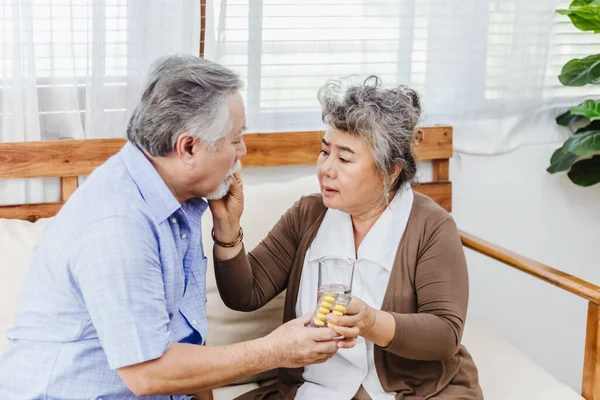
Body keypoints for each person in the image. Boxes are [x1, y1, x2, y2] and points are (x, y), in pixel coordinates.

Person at [0, 55, 345, 400]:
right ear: (189, 146)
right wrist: (276, 350)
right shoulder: (119, 223)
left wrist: (226, 228)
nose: (242, 150)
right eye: (236, 137)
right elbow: (148, 372)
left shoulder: (177, 199)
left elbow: (187, 339)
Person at [210, 76, 484, 399]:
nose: (326, 168)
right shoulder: (308, 215)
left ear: (390, 171)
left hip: (414, 393)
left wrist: (371, 322)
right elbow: (246, 293)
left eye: (344, 158)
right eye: (324, 152)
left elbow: (445, 333)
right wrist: (227, 230)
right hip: (317, 391)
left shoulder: (431, 227)